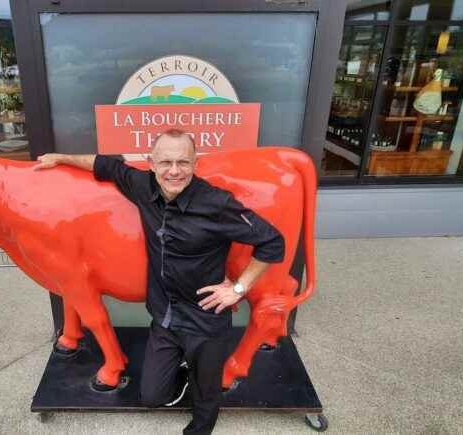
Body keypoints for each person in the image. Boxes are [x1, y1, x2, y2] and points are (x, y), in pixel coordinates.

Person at [32, 129, 285, 434]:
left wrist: (238, 289)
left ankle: (199, 409)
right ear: (151, 163)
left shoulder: (217, 204)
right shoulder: (143, 186)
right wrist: (59, 158)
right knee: (151, 396)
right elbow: (105, 165)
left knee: (206, 401)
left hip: (205, 321)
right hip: (165, 319)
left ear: (195, 163)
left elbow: (273, 242)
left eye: (183, 162)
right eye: (166, 162)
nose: (174, 171)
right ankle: (185, 368)